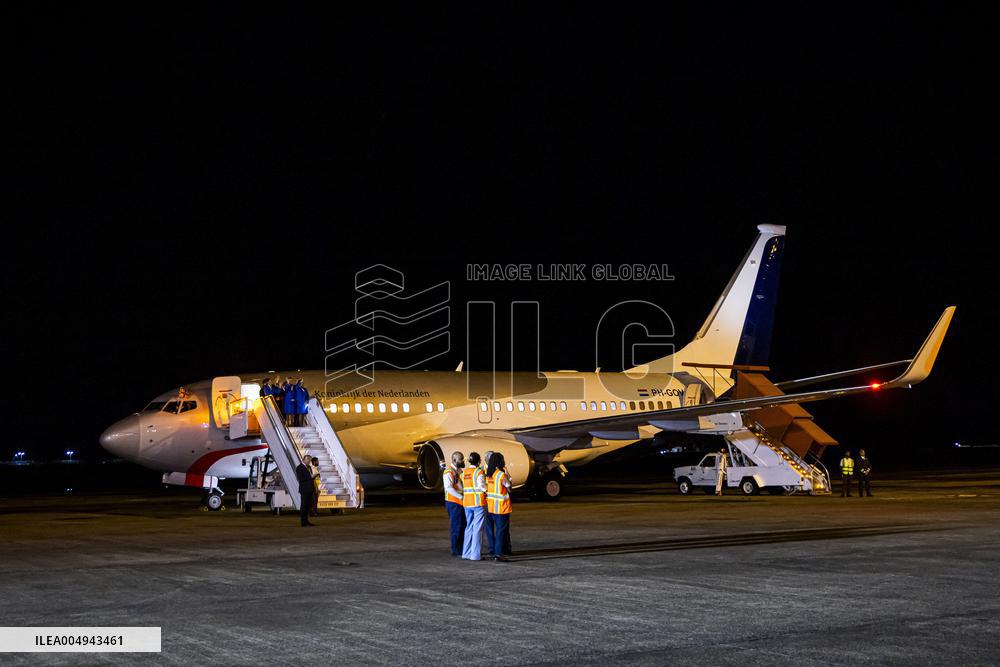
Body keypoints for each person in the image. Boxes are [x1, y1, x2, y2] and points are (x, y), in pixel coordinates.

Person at [461, 451, 487, 561]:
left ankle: (466, 553)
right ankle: (475, 555)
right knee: (477, 529)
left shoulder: (464, 472)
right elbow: (482, 487)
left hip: (467, 503)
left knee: (469, 527)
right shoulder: (478, 472)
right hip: (478, 503)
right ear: (478, 461)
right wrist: (488, 488)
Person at [486, 452, 512, 561]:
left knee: (494, 530)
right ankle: (499, 553)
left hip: (491, 507)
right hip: (501, 507)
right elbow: (509, 487)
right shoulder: (501, 475)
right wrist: (508, 476)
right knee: (501, 531)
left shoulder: (489, 475)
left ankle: (495, 551)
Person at [442, 452, 466, 556]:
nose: (463, 461)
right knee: (456, 526)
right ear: (455, 460)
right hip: (454, 503)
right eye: (461, 459)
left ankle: (460, 548)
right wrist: (461, 497)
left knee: (462, 526)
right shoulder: (448, 472)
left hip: (460, 502)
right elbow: (448, 488)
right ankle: (456, 549)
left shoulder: (458, 471)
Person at [482, 450, 496, 558]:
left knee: (500, 527)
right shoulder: (482, 471)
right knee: (489, 527)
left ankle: (503, 548)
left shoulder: (498, 470)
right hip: (487, 502)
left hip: (497, 502)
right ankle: (492, 548)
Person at [295, 454, 316, 527]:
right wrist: (310, 477)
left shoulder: (309, 467)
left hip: (310, 489)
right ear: (303, 459)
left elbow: (310, 478)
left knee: (308, 506)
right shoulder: (299, 468)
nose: (309, 462)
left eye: (310, 460)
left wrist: (313, 477)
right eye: (308, 460)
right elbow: (300, 479)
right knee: (304, 506)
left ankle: (307, 521)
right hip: (304, 490)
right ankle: (303, 522)